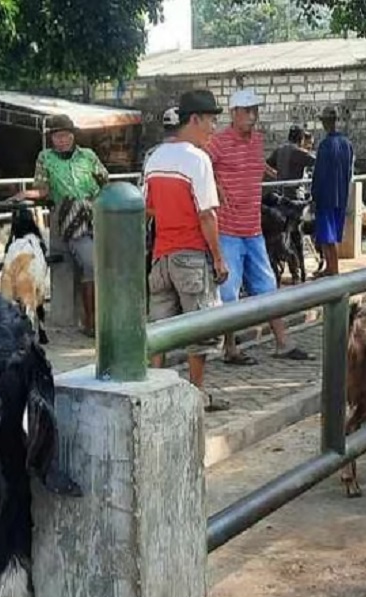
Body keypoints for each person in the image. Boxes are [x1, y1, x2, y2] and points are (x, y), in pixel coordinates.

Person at [206, 88, 313, 366]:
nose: (253, 116)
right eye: (247, 111)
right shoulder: (218, 143)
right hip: (228, 228)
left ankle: (282, 342)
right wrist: (214, 183)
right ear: (234, 113)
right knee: (228, 292)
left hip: (252, 228)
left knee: (267, 287)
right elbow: (202, 161)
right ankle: (229, 347)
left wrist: (271, 173)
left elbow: (256, 166)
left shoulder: (257, 142)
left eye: (255, 110)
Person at [143, 89, 229, 412]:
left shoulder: (156, 158)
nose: (212, 129)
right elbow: (207, 215)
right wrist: (219, 257)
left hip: (160, 257)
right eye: (210, 121)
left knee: (160, 331)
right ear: (194, 120)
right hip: (192, 255)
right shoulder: (197, 159)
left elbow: (148, 207)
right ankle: (196, 395)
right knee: (200, 329)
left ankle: (152, 396)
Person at [12, 114, 110, 336]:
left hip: (94, 214)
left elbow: (105, 181)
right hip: (68, 218)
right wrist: (26, 193)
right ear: (51, 138)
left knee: (96, 264)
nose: (62, 140)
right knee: (89, 264)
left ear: (73, 136)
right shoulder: (45, 158)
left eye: (66, 136)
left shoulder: (88, 156)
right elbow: (44, 189)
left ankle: (95, 318)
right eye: (57, 136)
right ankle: (90, 322)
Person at [311, 105, 355, 278]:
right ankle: (330, 268)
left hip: (326, 197)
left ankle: (333, 270)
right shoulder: (348, 145)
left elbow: (319, 174)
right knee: (333, 234)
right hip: (342, 195)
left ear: (326, 123)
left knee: (327, 236)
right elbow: (350, 172)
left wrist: (314, 196)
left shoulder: (324, 146)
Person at [267, 125, 315, 200]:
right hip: (295, 195)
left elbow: (268, 164)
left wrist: (277, 176)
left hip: (280, 194)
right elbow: (317, 161)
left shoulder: (279, 150)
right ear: (301, 139)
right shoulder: (299, 152)